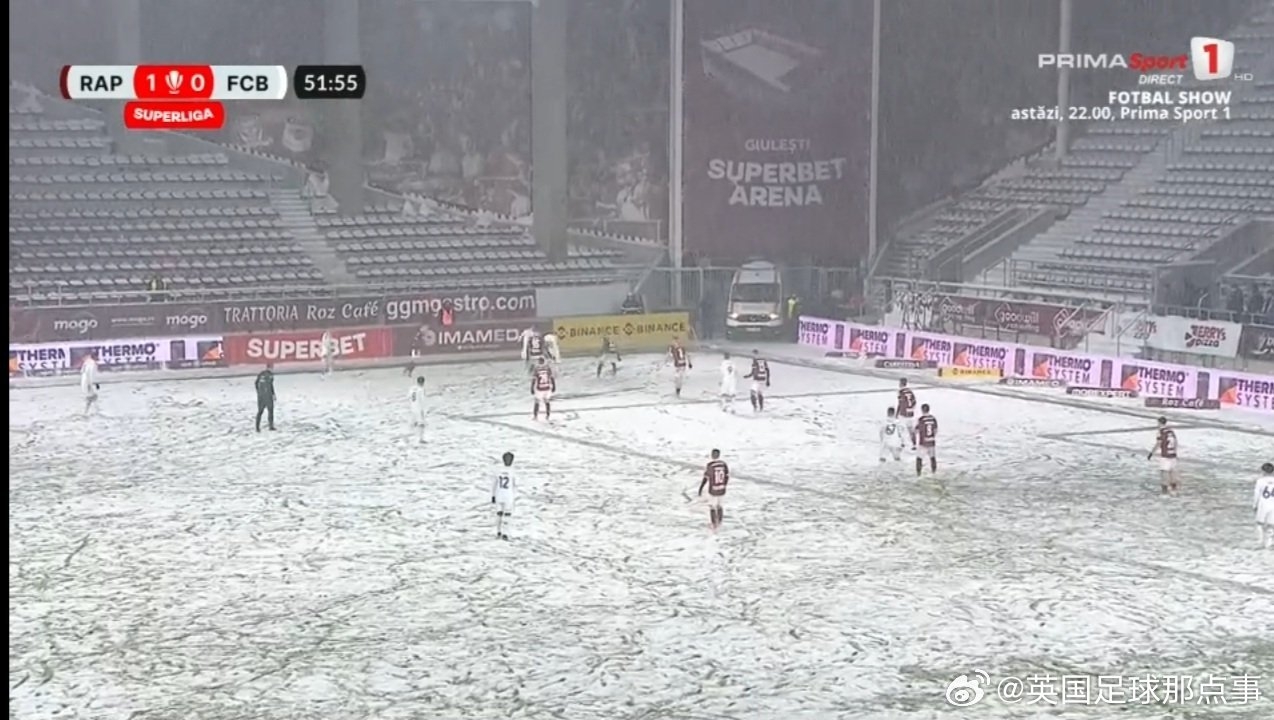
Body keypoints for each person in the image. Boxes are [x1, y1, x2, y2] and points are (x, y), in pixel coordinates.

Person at [697, 448, 730, 532]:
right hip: (722, 488)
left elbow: (706, 478)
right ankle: (720, 522)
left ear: (712, 455)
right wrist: (724, 485)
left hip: (713, 489)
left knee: (712, 506)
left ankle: (714, 524)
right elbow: (727, 476)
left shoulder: (710, 465)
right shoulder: (723, 464)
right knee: (719, 505)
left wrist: (701, 488)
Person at [1147, 416, 1180, 496]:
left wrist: (1151, 453)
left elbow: (1159, 443)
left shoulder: (1160, 432)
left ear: (1159, 422)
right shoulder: (1171, 431)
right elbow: (1176, 442)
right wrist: (1175, 452)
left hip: (1165, 455)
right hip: (1173, 454)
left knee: (1164, 473)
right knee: (1172, 472)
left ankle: (1164, 492)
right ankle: (1174, 490)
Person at [492, 451, 518, 540]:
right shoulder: (513, 472)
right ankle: (505, 532)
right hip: (508, 495)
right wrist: (515, 496)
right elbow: (515, 485)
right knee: (507, 514)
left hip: (499, 494)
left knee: (499, 513)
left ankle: (498, 531)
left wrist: (493, 495)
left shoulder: (498, 471)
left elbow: (494, 484)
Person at [1255, 462, 1274, 549]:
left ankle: (1260, 542)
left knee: (1260, 524)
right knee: (1271, 525)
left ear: (1263, 471)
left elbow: (1257, 494)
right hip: (1273, 504)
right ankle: (1269, 542)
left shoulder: (1260, 481)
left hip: (1263, 504)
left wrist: (1255, 505)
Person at [915, 403, 938, 476]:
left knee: (919, 458)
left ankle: (918, 474)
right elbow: (935, 430)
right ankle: (934, 473)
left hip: (923, 442)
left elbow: (917, 430)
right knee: (932, 458)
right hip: (931, 441)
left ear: (922, 410)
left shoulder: (921, 419)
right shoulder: (933, 418)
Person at [897, 378, 918, 450]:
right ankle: (914, 444)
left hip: (903, 413)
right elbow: (914, 401)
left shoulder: (901, 392)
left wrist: (897, 413)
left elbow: (900, 403)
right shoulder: (910, 391)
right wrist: (911, 409)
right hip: (910, 413)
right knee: (911, 429)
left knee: (900, 428)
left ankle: (902, 443)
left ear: (901, 383)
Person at [255, 363, 276, 432]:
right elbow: (270, 385)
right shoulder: (270, 375)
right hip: (268, 396)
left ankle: (257, 427)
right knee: (270, 411)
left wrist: (259, 392)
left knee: (260, 411)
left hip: (261, 396)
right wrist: (273, 394)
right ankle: (271, 426)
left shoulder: (261, 374)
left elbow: (256, 383)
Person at [80, 351, 100, 416]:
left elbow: (82, 371)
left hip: (84, 381)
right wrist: (95, 384)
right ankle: (95, 411)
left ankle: (89, 411)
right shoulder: (93, 364)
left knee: (91, 397)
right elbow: (91, 375)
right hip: (88, 382)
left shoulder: (87, 362)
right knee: (93, 397)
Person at [409, 375, 427, 444]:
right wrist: (423, 410)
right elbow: (422, 400)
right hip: (418, 408)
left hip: (412, 407)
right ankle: (421, 439)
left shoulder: (412, 388)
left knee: (414, 424)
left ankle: (412, 437)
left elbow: (409, 397)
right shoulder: (421, 389)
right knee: (421, 424)